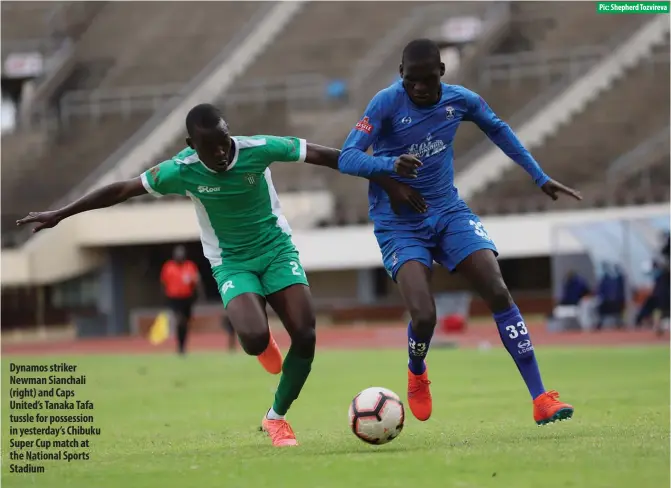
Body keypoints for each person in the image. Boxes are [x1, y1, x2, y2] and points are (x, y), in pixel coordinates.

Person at [16, 103, 426, 447]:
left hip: (276, 250)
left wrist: (385, 176)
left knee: (305, 333)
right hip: (231, 262)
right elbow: (122, 190)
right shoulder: (180, 170)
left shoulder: (258, 148)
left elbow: (329, 156)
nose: (222, 152)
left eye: (225, 140)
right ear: (192, 146)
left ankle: (275, 417)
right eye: (211, 147)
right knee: (251, 338)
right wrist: (62, 214)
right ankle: (263, 344)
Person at [338, 39, 582, 426]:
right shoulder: (385, 103)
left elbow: (499, 130)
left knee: (497, 289)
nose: (419, 88)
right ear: (401, 75)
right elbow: (347, 155)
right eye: (411, 81)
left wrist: (539, 176)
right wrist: (388, 166)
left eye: (428, 79)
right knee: (423, 314)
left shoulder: (461, 100)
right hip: (399, 223)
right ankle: (417, 370)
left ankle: (541, 398)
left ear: (442, 73)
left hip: (449, 212)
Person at [160, 244, 202, 355]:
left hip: (187, 298)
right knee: (179, 321)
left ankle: (183, 345)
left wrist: (196, 296)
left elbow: (196, 282)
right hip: (174, 298)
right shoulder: (168, 267)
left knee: (186, 323)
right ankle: (180, 346)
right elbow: (163, 283)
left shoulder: (190, 266)